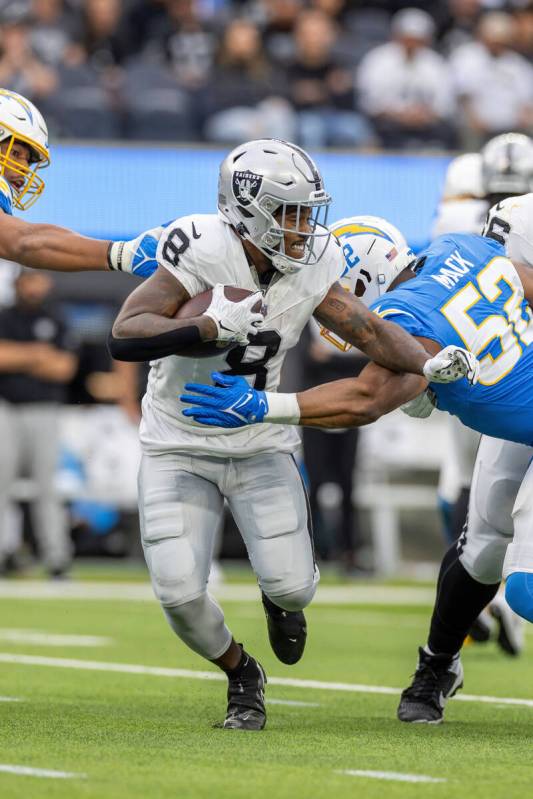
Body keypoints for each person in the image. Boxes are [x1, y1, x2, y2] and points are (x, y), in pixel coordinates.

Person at [107, 139, 477, 732]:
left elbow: (365, 328)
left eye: (308, 211)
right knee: (179, 595)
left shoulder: (316, 259)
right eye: (293, 212)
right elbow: (124, 334)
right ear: (247, 209)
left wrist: (425, 365)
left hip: (259, 441)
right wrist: (204, 325)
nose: (307, 226)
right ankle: (240, 672)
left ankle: (277, 602)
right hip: (178, 441)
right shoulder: (199, 245)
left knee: (296, 588)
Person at [180, 215, 533, 728]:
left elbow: (365, 400)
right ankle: (436, 665)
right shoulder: (459, 246)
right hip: (516, 424)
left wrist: (262, 405)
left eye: (335, 295)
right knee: (480, 552)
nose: (333, 312)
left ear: (359, 283)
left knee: (523, 589)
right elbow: (521, 279)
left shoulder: (404, 314)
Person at [0, 267, 78, 577]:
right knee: (0, 485)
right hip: (5, 408)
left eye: (38, 279)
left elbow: (63, 369)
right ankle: (5, 553)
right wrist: (37, 354)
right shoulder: (4, 316)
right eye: (28, 279)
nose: (33, 286)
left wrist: (17, 357)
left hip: (45, 410)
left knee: (48, 489)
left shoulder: (56, 319)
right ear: (18, 282)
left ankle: (57, 558)